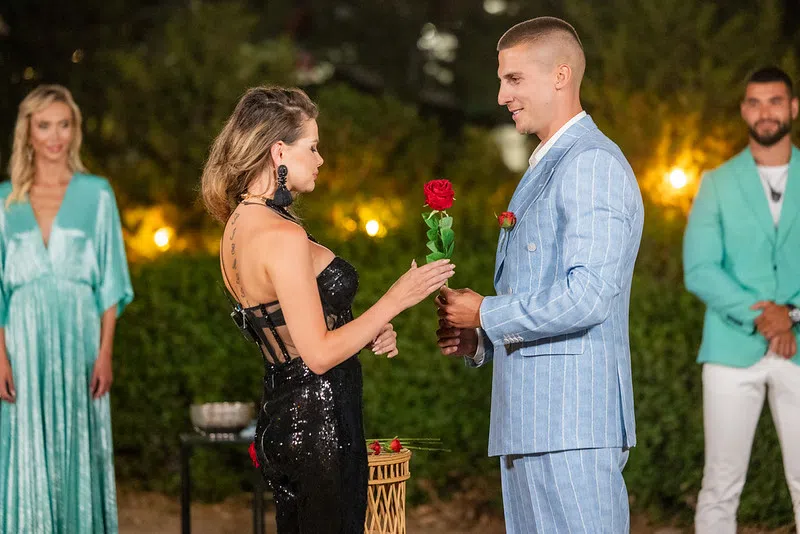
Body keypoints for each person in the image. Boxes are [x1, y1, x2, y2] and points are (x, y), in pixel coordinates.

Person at [200, 86, 455, 533]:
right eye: (313, 147)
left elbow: (292, 326)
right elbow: (317, 355)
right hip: (321, 424)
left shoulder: (238, 225)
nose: (320, 159)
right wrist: (397, 298)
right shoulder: (282, 236)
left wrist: (364, 327)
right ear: (279, 151)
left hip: (282, 419)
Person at [436, 17, 644, 533]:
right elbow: (542, 291)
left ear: (560, 75)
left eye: (514, 79)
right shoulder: (548, 164)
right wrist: (481, 338)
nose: (502, 95)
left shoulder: (591, 162)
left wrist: (487, 311)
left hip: (573, 424)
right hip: (530, 423)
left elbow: (589, 295)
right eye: (501, 80)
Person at [0, 85, 133, 533]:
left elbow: (110, 281)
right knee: (25, 443)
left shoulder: (97, 194)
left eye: (63, 124)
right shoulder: (4, 201)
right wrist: (0, 357)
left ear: (74, 130)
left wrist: (105, 352)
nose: (55, 136)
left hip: (81, 338)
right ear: (28, 132)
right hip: (22, 343)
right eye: (44, 125)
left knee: (78, 441)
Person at [683, 66, 800, 534]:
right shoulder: (716, 182)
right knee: (720, 483)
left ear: (793, 108)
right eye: (754, 102)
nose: (764, 111)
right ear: (743, 111)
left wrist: (791, 315)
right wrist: (764, 318)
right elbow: (700, 268)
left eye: (775, 101)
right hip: (731, 348)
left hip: (799, 348)